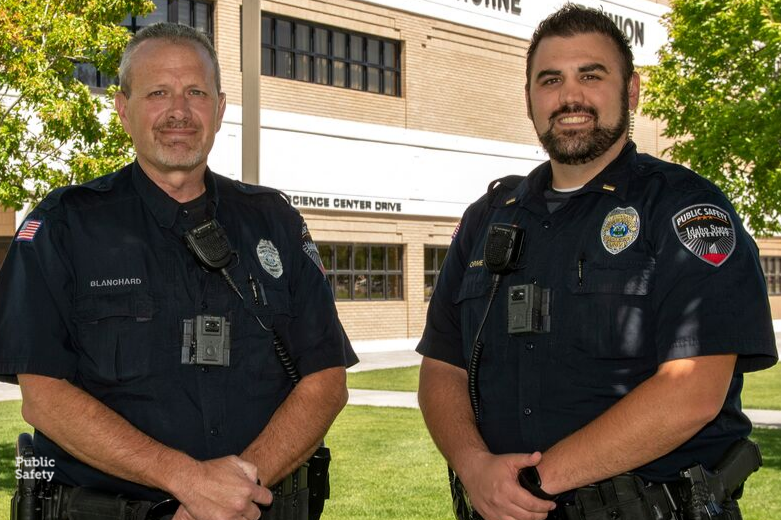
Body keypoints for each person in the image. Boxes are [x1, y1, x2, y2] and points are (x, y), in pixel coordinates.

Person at [416, 5, 778, 520]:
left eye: (591, 75)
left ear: (631, 92)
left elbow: (693, 390)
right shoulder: (488, 219)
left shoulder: (684, 209)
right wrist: (474, 467)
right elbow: (441, 367)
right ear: (529, 99)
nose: (570, 97)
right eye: (550, 80)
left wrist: (535, 484)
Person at [0, 22, 356, 520]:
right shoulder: (63, 227)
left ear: (220, 107)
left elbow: (325, 380)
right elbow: (44, 398)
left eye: (195, 92)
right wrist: (188, 481)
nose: (179, 112)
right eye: (157, 92)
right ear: (122, 109)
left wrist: (234, 493)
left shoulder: (274, 221)